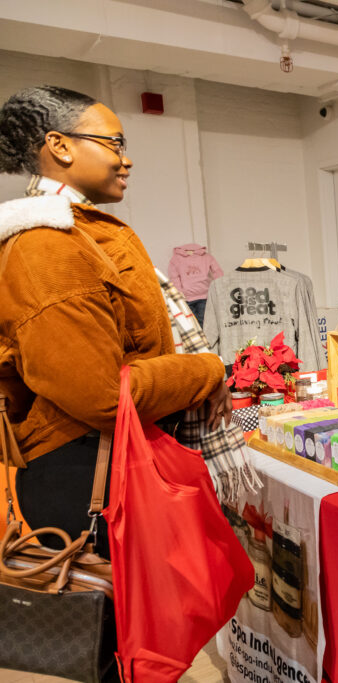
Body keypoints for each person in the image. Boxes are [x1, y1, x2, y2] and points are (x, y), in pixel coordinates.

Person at [0, 85, 230, 557]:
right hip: (88, 476)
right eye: (115, 143)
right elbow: (103, 396)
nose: (126, 160)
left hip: (109, 461)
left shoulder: (81, 232)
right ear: (59, 146)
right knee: (121, 602)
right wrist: (205, 370)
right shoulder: (46, 245)